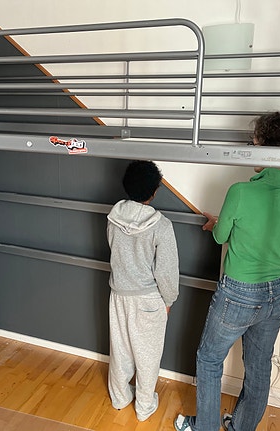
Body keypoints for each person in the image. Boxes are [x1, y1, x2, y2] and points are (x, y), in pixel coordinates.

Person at [174, 111, 280, 431]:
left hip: (238, 293)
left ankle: (205, 428)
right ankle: (240, 427)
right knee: (259, 366)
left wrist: (218, 224)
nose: (252, 148)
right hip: (277, 292)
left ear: (268, 148)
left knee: (209, 360)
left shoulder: (241, 192)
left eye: (255, 143)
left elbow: (221, 237)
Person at [107, 160, 180, 422]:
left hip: (119, 294)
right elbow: (167, 271)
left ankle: (119, 397)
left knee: (120, 349)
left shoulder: (113, 218)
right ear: (155, 191)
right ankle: (144, 406)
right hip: (148, 298)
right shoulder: (162, 226)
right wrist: (169, 300)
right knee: (147, 354)